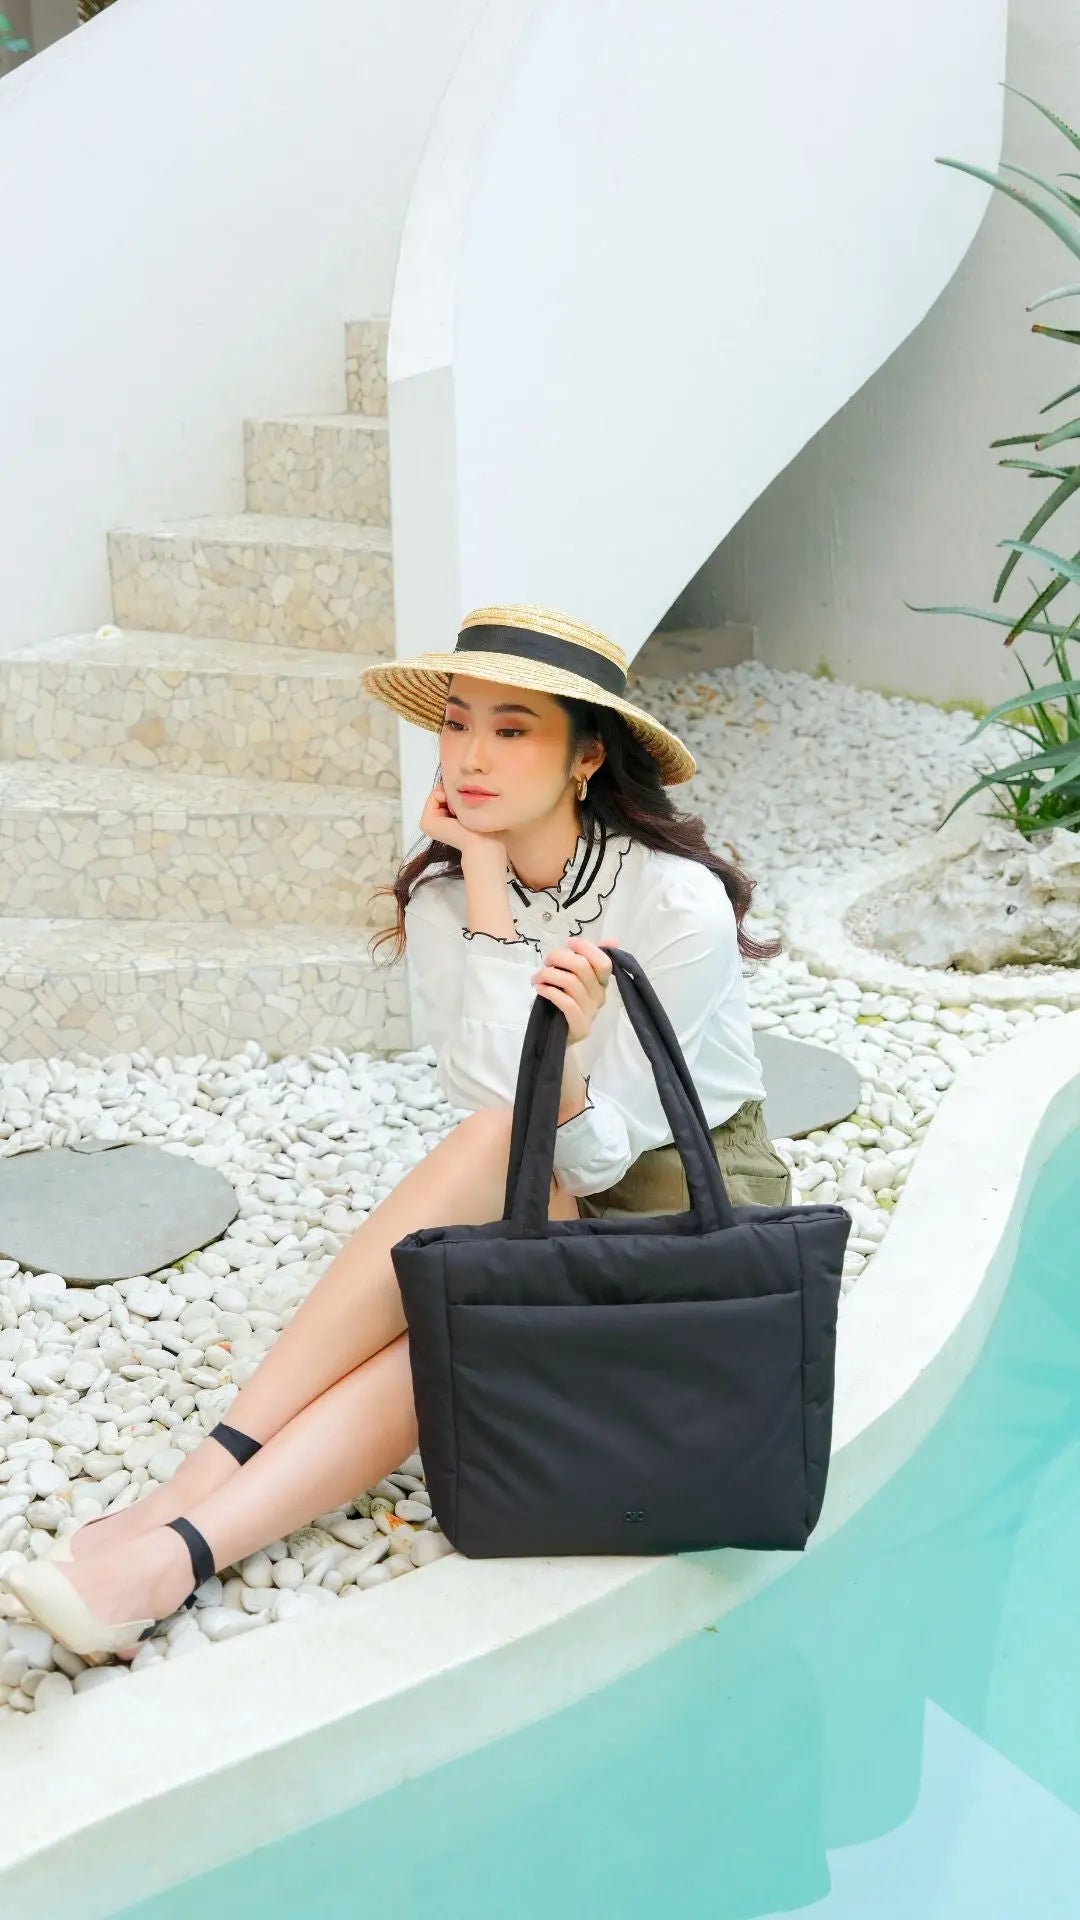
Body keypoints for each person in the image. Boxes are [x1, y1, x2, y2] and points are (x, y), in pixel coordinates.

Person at [3, 603, 791, 1662]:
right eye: (457, 723)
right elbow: (486, 1091)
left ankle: (176, 1543)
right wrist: (483, 886)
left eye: (512, 730)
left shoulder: (673, 903)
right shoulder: (449, 895)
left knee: (458, 1290)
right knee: (467, 1240)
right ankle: (181, 1514)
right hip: (534, 1167)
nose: (470, 757)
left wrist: (560, 1069)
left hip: (681, 1202)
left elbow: (601, 1150)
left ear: (587, 758)